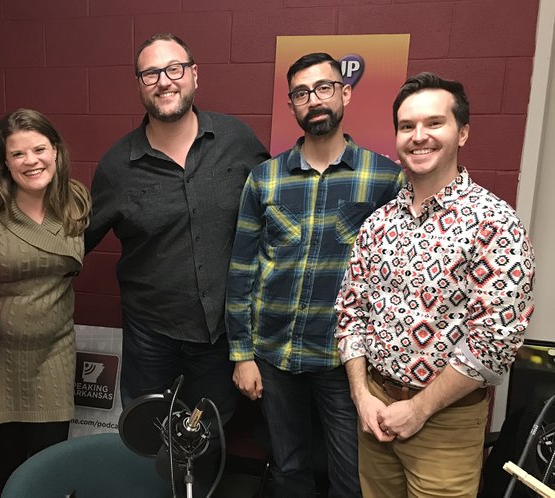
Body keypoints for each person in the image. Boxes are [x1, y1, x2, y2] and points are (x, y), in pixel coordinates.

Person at [336, 72, 536, 497]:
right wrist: (361, 395)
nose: (418, 136)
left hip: (444, 423)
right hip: (375, 411)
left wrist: (420, 408)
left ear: (462, 132)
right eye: (407, 126)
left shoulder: (493, 223)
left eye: (434, 123)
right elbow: (350, 311)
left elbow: (495, 342)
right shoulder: (379, 223)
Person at [225, 52, 404, 497]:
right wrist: (241, 354)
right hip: (274, 350)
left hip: (344, 360)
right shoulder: (265, 180)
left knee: (350, 476)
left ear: (344, 93)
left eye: (324, 88)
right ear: (292, 106)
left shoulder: (384, 179)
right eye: (302, 93)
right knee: (288, 468)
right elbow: (242, 268)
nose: (314, 100)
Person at [85, 32, 269, 423]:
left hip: (220, 335)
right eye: (151, 74)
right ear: (139, 85)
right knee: (148, 432)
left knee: (210, 434)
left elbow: (273, 217)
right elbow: (77, 240)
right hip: (151, 332)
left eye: (174, 68)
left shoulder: (237, 141)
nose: (164, 81)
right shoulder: (117, 166)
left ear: (194, 75)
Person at [0, 108, 90, 492]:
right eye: (18, 154)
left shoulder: (76, 201)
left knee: (50, 463)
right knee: (6, 464)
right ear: (4, 162)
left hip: (54, 352)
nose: (31, 161)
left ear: (56, 151)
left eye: (39, 149)